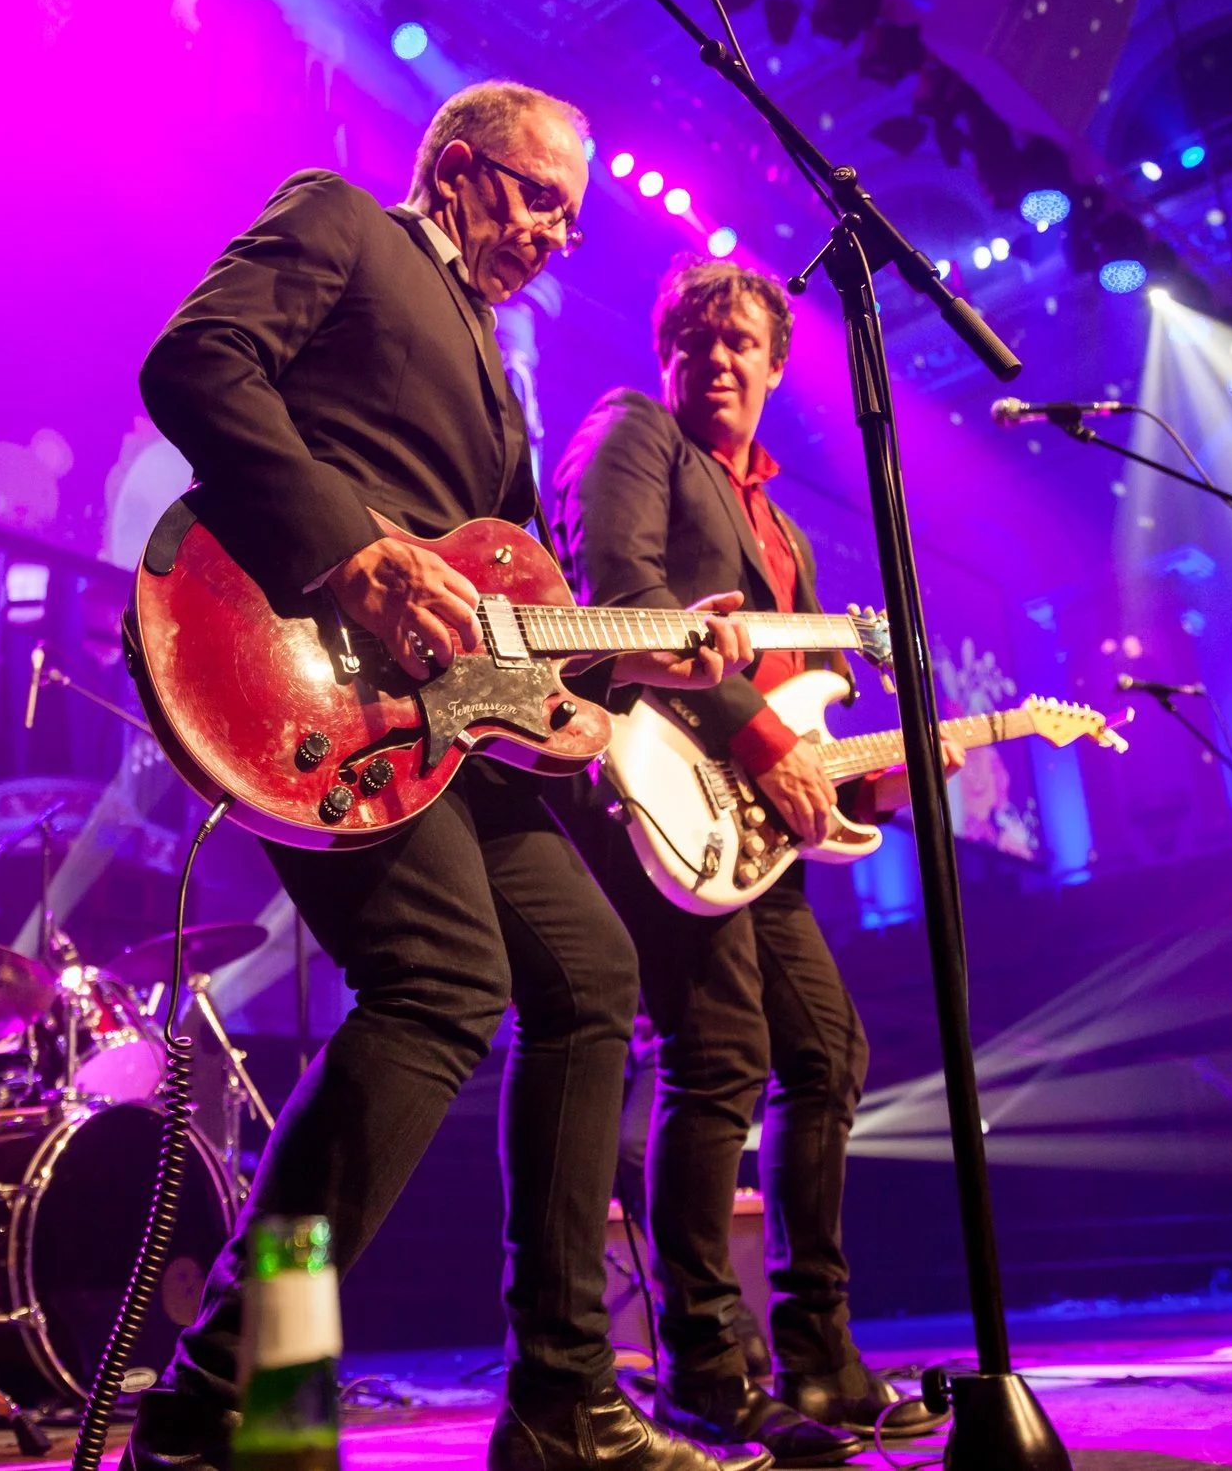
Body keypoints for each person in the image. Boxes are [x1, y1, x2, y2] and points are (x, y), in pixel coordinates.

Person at [126, 82, 766, 1471]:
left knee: (593, 978)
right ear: (464, 171)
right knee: (442, 981)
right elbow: (193, 365)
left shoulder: (502, 379)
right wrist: (349, 551)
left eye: (570, 218)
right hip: (303, 666)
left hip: (451, 723)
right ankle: (227, 1392)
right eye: (541, 198)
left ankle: (559, 1399)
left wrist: (648, 656)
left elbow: (515, 617)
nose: (555, 233)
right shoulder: (343, 220)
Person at [548, 261, 958, 1453]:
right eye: (693, 336)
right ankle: (704, 1370)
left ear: (777, 365)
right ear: (664, 349)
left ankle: (820, 1351)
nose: (715, 357)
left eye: (739, 342)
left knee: (825, 1053)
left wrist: (868, 775)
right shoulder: (631, 432)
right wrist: (765, 738)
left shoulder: (780, 527)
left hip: (756, 821)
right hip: (656, 797)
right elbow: (615, 596)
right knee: (716, 1052)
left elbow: (800, 713)